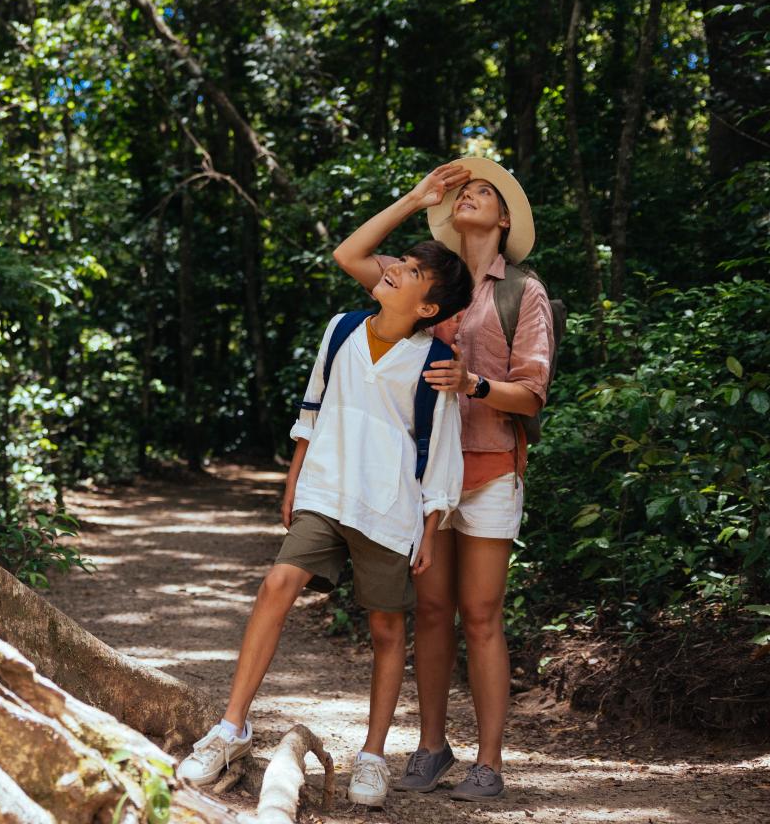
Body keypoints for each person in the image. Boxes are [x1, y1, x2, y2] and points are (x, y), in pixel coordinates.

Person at [177, 240, 472, 808]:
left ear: (428, 307)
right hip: (325, 491)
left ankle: (372, 755)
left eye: (410, 272)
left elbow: (440, 452)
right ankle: (231, 727)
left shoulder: (435, 364)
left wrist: (431, 528)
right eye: (399, 263)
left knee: (386, 629)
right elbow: (312, 409)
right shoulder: (341, 329)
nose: (392, 270)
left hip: (388, 508)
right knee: (275, 586)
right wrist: (295, 482)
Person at [332, 158, 554, 801]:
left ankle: (490, 761)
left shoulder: (522, 292)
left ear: (504, 218)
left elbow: (533, 394)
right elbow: (351, 257)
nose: (470, 197)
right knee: (430, 610)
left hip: (487, 469)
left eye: (485, 192)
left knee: (481, 615)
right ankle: (432, 745)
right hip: (421, 470)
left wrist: (475, 383)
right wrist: (413, 197)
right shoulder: (433, 278)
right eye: (463, 191)